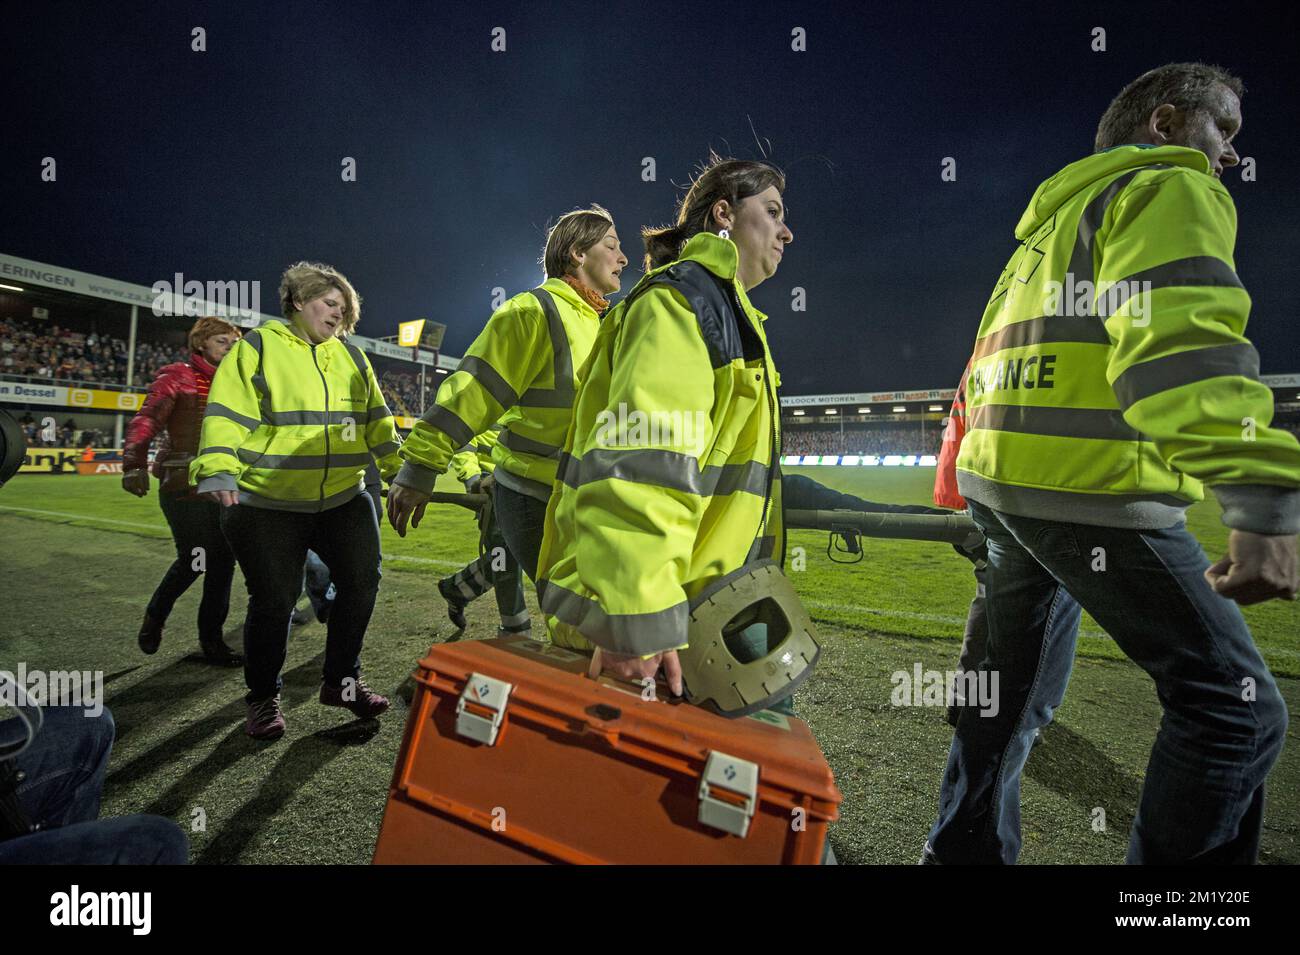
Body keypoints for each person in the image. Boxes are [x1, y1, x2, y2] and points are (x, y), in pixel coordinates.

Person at [923, 63, 1300, 865]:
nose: (1230, 154)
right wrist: (1260, 493)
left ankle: (958, 856)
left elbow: (981, 370)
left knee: (1004, 696)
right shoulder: (1169, 187)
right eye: (1222, 129)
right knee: (1235, 711)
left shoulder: (1042, 230)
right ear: (1164, 125)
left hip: (1006, 492)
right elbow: (1179, 344)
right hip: (1089, 491)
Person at [189, 262, 402, 741]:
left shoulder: (351, 357)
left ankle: (341, 682)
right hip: (268, 503)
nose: (338, 314)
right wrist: (218, 467)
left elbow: (377, 423)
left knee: (362, 582)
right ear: (300, 301)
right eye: (330, 304)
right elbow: (226, 413)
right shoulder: (258, 347)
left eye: (345, 309)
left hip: (345, 497)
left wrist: (401, 475)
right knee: (275, 602)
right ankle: (262, 699)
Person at [387, 205, 629, 583]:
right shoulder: (533, 310)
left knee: (597, 621)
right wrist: (419, 468)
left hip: (578, 496)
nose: (623, 257)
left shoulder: (598, 324)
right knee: (583, 621)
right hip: (534, 497)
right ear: (578, 253)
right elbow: (474, 391)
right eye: (612, 246)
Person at [122, 316, 243, 665]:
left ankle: (212, 643)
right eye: (223, 341)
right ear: (200, 343)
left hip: (222, 484)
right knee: (194, 560)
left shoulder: (237, 382)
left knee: (222, 564)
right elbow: (147, 418)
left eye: (234, 343)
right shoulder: (178, 375)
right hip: (181, 484)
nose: (230, 348)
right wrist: (133, 464)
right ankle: (156, 615)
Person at [436, 424, 532, 636]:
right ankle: (515, 633)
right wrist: (474, 480)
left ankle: (457, 589)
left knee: (509, 555)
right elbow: (463, 443)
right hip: (493, 487)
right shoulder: (479, 396)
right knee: (504, 558)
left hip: (523, 481)